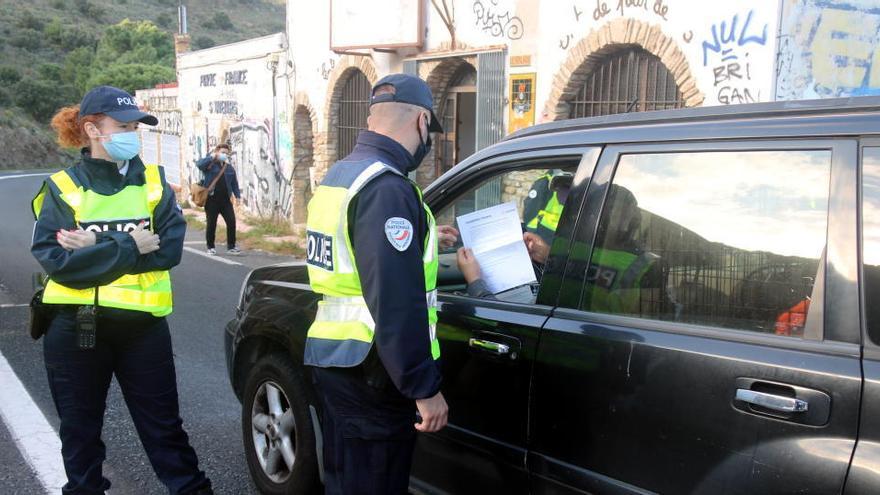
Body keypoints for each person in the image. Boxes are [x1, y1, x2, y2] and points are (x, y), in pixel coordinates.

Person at [31, 86, 212, 495]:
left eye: (135, 126)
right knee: (80, 435)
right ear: (93, 129)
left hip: (142, 329)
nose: (133, 133)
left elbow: (167, 251)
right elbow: (59, 264)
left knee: (165, 429)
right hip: (76, 328)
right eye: (124, 126)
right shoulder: (62, 187)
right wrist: (130, 244)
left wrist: (94, 246)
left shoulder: (153, 181)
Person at [303, 74, 458, 494]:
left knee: (345, 481)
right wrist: (424, 388)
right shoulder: (387, 188)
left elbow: (357, 254)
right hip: (373, 373)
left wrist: (424, 235)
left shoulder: (344, 174)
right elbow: (395, 300)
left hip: (336, 358)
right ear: (422, 121)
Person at [196, 142, 241, 255]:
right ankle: (210, 247)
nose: (224, 155)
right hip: (212, 200)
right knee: (212, 223)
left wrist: (238, 196)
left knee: (231, 222)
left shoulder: (229, 168)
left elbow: (234, 183)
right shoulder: (210, 165)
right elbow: (199, 164)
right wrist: (212, 157)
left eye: (226, 153)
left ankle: (231, 246)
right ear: (217, 152)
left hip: (226, 200)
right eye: (222, 153)